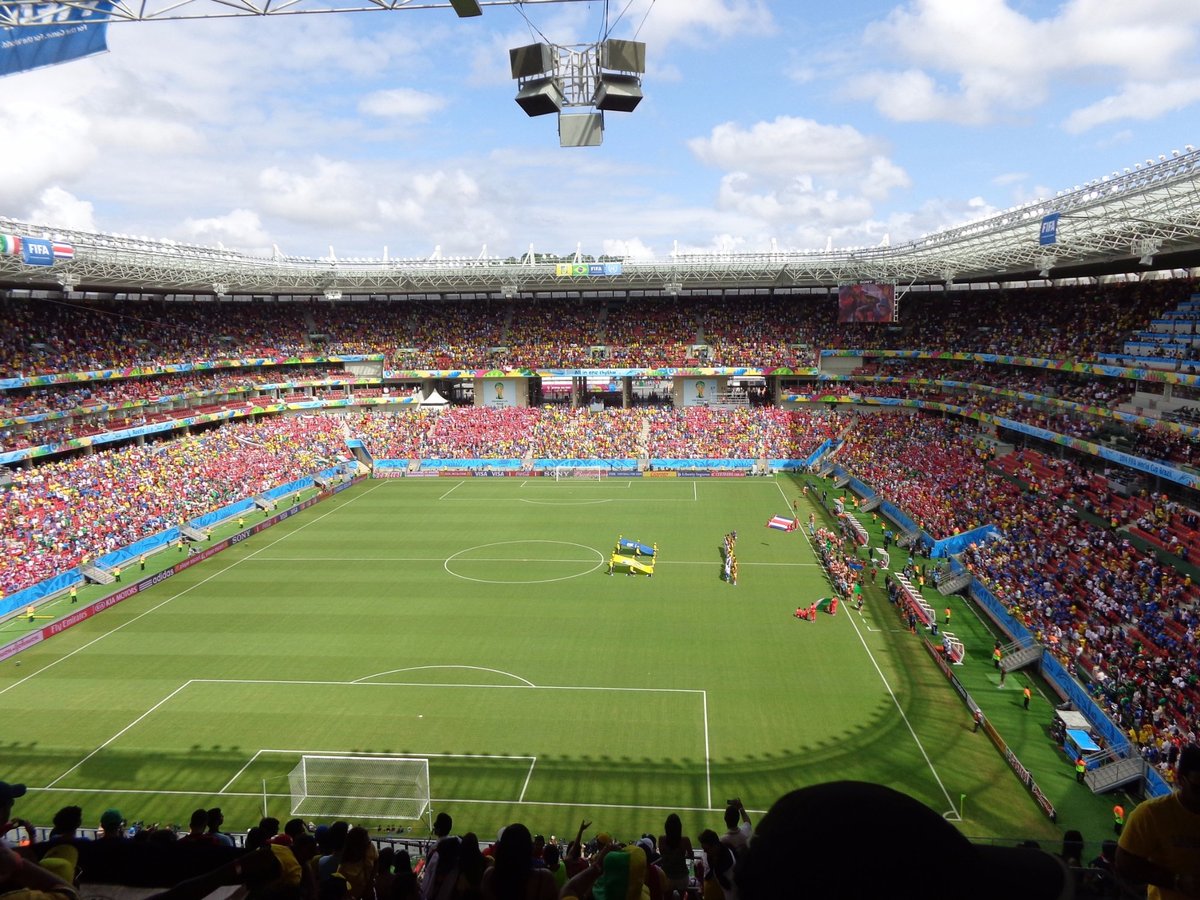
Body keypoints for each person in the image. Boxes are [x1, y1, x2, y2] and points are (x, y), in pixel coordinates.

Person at [1115, 745, 1200, 899]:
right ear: (1180, 780)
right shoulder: (1152, 813)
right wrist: (1176, 881)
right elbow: (1124, 862)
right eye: (1198, 788)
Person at [658, 813, 694, 900]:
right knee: (682, 897)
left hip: (666, 875)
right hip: (682, 876)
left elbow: (662, 855)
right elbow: (691, 856)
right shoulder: (685, 840)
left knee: (667, 897)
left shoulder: (661, 839)